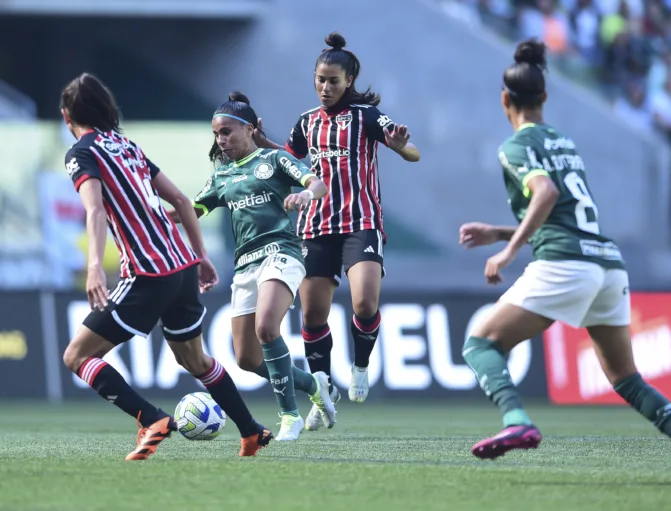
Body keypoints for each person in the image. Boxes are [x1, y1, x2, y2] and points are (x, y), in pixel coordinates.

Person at [458, 40, 671, 483]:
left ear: (505, 99)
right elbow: (565, 212)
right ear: (544, 97)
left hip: (564, 264)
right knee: (625, 378)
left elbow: (547, 195)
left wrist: (508, 250)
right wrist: (500, 231)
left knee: (480, 344)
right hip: (606, 265)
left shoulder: (515, 147)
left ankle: (516, 420)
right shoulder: (563, 141)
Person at [59, 73, 272, 460]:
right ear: (107, 108)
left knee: (76, 356)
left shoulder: (82, 152)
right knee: (195, 360)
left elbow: (94, 209)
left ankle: (151, 418)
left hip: (147, 271)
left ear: (66, 116)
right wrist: (201, 255)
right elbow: (182, 201)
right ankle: (251, 431)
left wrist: (93, 266)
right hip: (182, 265)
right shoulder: (127, 146)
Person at [257, 32, 420, 431]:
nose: (325, 87)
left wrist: (400, 147)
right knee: (313, 315)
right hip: (316, 225)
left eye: (333, 80)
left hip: (361, 221)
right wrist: (263, 142)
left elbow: (414, 152)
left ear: (349, 80)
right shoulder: (306, 122)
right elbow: (289, 160)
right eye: (319, 79)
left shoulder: (365, 116)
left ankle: (360, 366)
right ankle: (323, 390)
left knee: (365, 303)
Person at [174, 92, 337, 441]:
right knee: (246, 358)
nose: (222, 140)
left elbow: (318, 183)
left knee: (267, 328)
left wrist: (304, 195)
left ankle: (289, 416)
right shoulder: (221, 178)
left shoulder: (275, 160)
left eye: (228, 132)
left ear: (249, 129)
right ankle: (314, 385)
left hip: (282, 250)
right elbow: (191, 212)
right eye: (217, 134)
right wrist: (149, 213)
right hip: (245, 264)